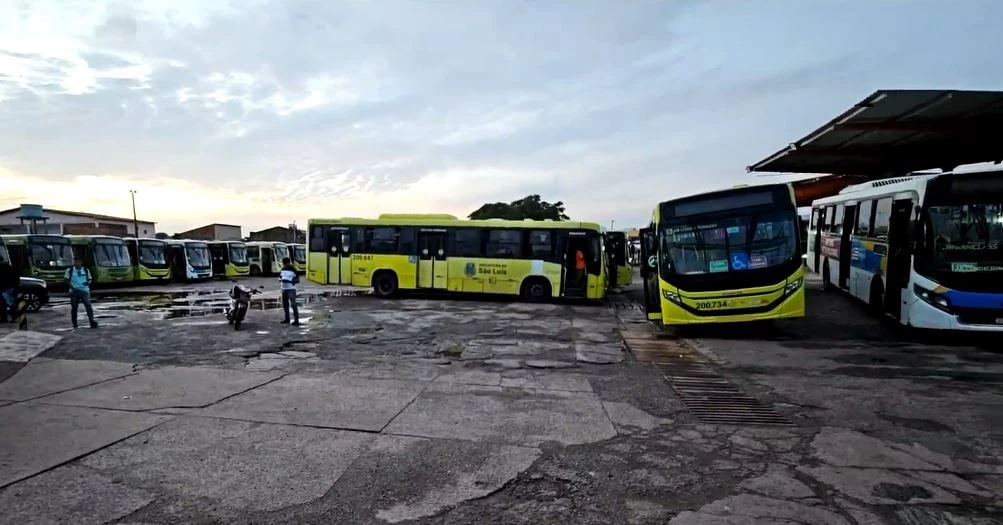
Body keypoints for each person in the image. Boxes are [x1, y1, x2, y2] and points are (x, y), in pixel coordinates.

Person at [65, 256, 98, 329]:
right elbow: (66, 279)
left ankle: (91, 321)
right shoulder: (70, 270)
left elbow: (89, 279)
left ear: (81, 262)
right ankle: (74, 323)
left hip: (84, 291)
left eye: (78, 261)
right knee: (74, 308)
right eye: (76, 261)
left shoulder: (86, 270)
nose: (77, 263)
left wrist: (88, 283)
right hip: (74, 291)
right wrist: (72, 287)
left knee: (88, 305)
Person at [279, 257, 300, 326]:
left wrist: (291, 281)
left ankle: (296, 320)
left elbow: (297, 280)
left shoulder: (293, 269)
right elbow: (280, 277)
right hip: (283, 289)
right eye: (284, 264)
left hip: (291, 289)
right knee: (285, 305)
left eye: (286, 263)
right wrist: (281, 280)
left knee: (293, 304)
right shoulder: (282, 269)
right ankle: (287, 318)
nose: (285, 265)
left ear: (288, 263)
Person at [0, 256, 17, 323]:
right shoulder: (8, 267)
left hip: (5, 288)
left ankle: (5, 318)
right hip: (8, 287)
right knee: (8, 303)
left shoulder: (3, 268)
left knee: (5, 304)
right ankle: (13, 317)